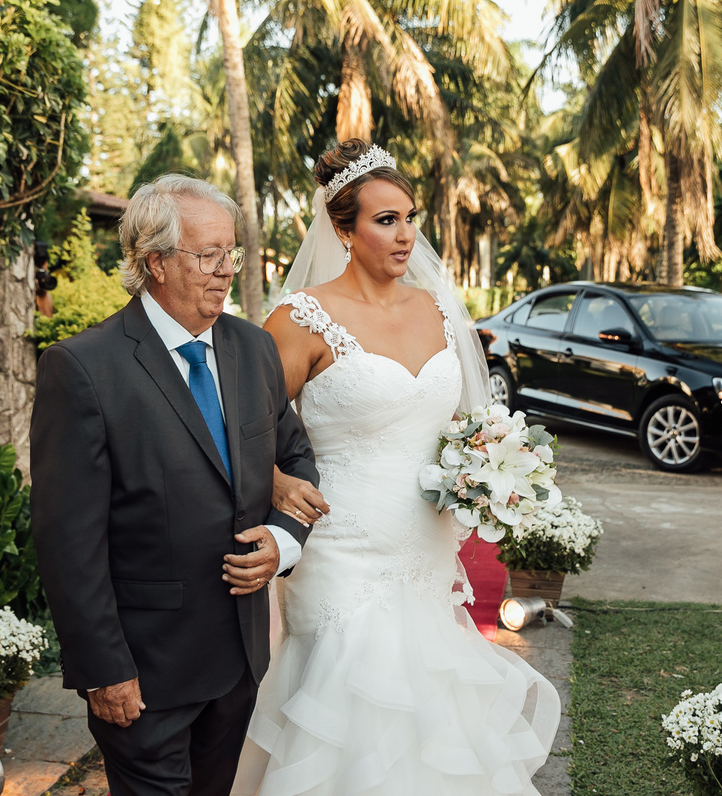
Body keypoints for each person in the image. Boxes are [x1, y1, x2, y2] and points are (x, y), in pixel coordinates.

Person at [232, 140, 561, 795]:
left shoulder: (436, 309)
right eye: (386, 220)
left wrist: (492, 469)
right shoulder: (299, 319)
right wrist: (273, 479)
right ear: (342, 229)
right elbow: (241, 428)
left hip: (424, 549)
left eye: (411, 216)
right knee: (348, 713)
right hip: (340, 551)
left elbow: (464, 424)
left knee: (429, 719)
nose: (406, 233)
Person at [30, 174, 320, 796]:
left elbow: (295, 458)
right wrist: (103, 669)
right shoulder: (82, 368)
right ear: (154, 261)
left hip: (239, 659)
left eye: (230, 254)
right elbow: (67, 542)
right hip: (144, 673)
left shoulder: (253, 349)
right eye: (207, 254)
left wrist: (283, 540)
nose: (224, 270)